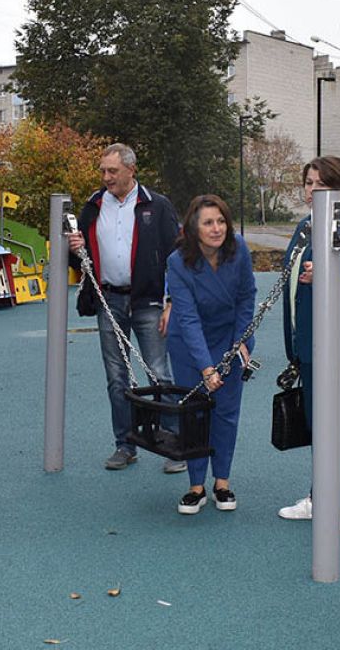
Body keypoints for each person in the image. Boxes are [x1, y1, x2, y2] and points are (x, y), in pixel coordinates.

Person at [67, 143, 184, 473]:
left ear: (131, 170)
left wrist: (171, 301)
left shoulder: (157, 206)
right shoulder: (92, 206)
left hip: (148, 300)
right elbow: (79, 259)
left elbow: (177, 255)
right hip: (109, 300)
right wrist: (73, 248)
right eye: (103, 171)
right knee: (117, 376)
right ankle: (125, 444)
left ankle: (172, 441)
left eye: (113, 171)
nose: (106, 177)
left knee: (159, 372)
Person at [277, 156, 340, 535]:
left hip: (339, 345)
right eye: (308, 183)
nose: (311, 190)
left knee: (337, 423)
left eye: (320, 184)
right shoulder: (306, 226)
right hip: (311, 344)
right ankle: (323, 498)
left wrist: (326, 270)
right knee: (320, 423)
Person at [165, 195, 257, 514]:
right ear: (193, 227)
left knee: (226, 410)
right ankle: (195, 485)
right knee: (195, 411)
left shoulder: (239, 249)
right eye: (208, 222)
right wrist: (206, 367)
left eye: (221, 221)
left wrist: (242, 341)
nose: (216, 228)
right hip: (190, 343)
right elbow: (187, 317)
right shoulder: (178, 262)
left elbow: (247, 297)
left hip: (230, 337)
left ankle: (222, 482)